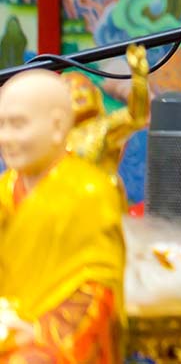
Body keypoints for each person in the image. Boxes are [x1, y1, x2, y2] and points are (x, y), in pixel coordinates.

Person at [0, 70, 125, 364]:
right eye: (2, 125)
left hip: (57, 338)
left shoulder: (89, 193)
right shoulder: (4, 191)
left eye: (18, 125)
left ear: (57, 127)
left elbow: (98, 292)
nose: (6, 138)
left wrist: (36, 331)